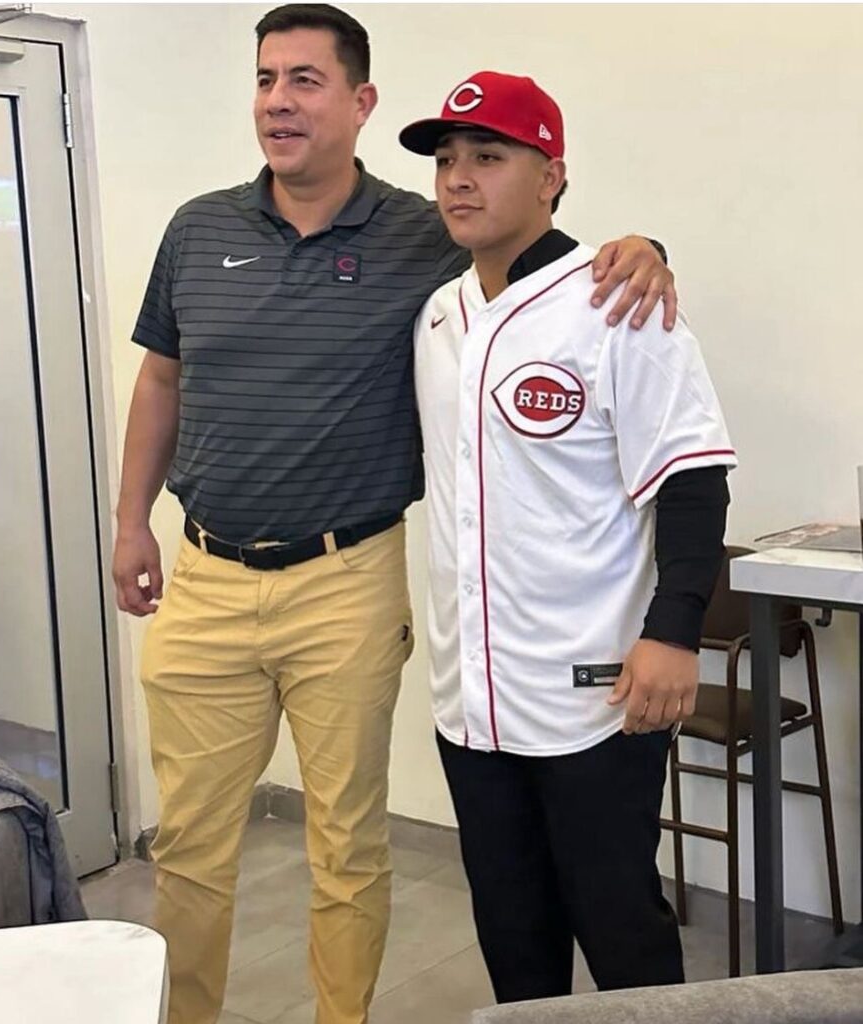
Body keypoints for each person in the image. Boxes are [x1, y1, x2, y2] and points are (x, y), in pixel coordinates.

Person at [112, 6, 679, 1024]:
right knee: (188, 849)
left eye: (305, 80)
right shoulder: (198, 228)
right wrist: (128, 520)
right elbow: (162, 376)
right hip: (204, 578)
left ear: (360, 101)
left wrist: (645, 246)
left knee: (346, 844)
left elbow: (542, 254)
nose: (278, 102)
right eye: (265, 79)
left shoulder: (427, 235)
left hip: (347, 578)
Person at [401, 71, 737, 1004]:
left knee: (620, 925)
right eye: (446, 159)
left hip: (596, 692)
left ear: (552, 175)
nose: (459, 177)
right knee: (512, 931)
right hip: (470, 695)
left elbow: (693, 481)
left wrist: (675, 633)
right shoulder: (437, 314)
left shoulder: (618, 303)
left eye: (488, 156)